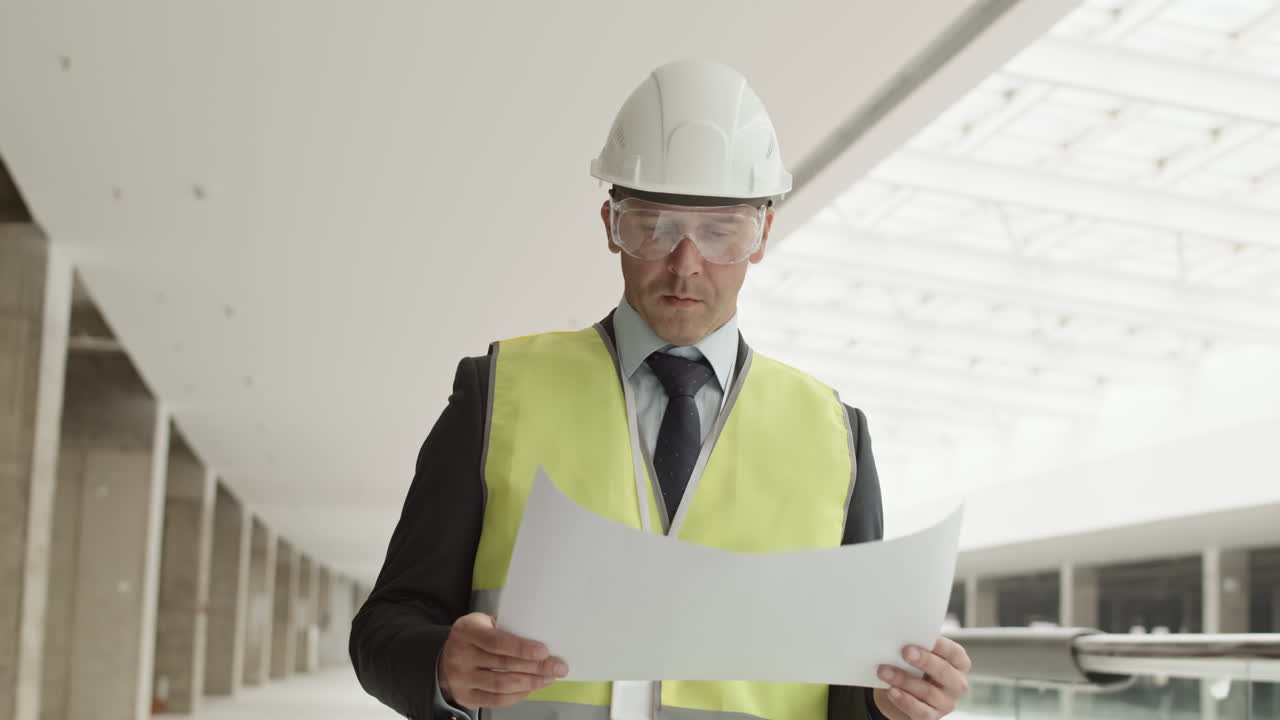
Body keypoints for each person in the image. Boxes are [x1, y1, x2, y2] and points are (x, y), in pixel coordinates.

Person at [350, 59, 972, 720]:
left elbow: (847, 687)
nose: (685, 262)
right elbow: (385, 627)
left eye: (719, 233)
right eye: (654, 226)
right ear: (610, 225)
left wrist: (893, 703)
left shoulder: (835, 435)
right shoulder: (498, 393)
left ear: (762, 234)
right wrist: (442, 665)